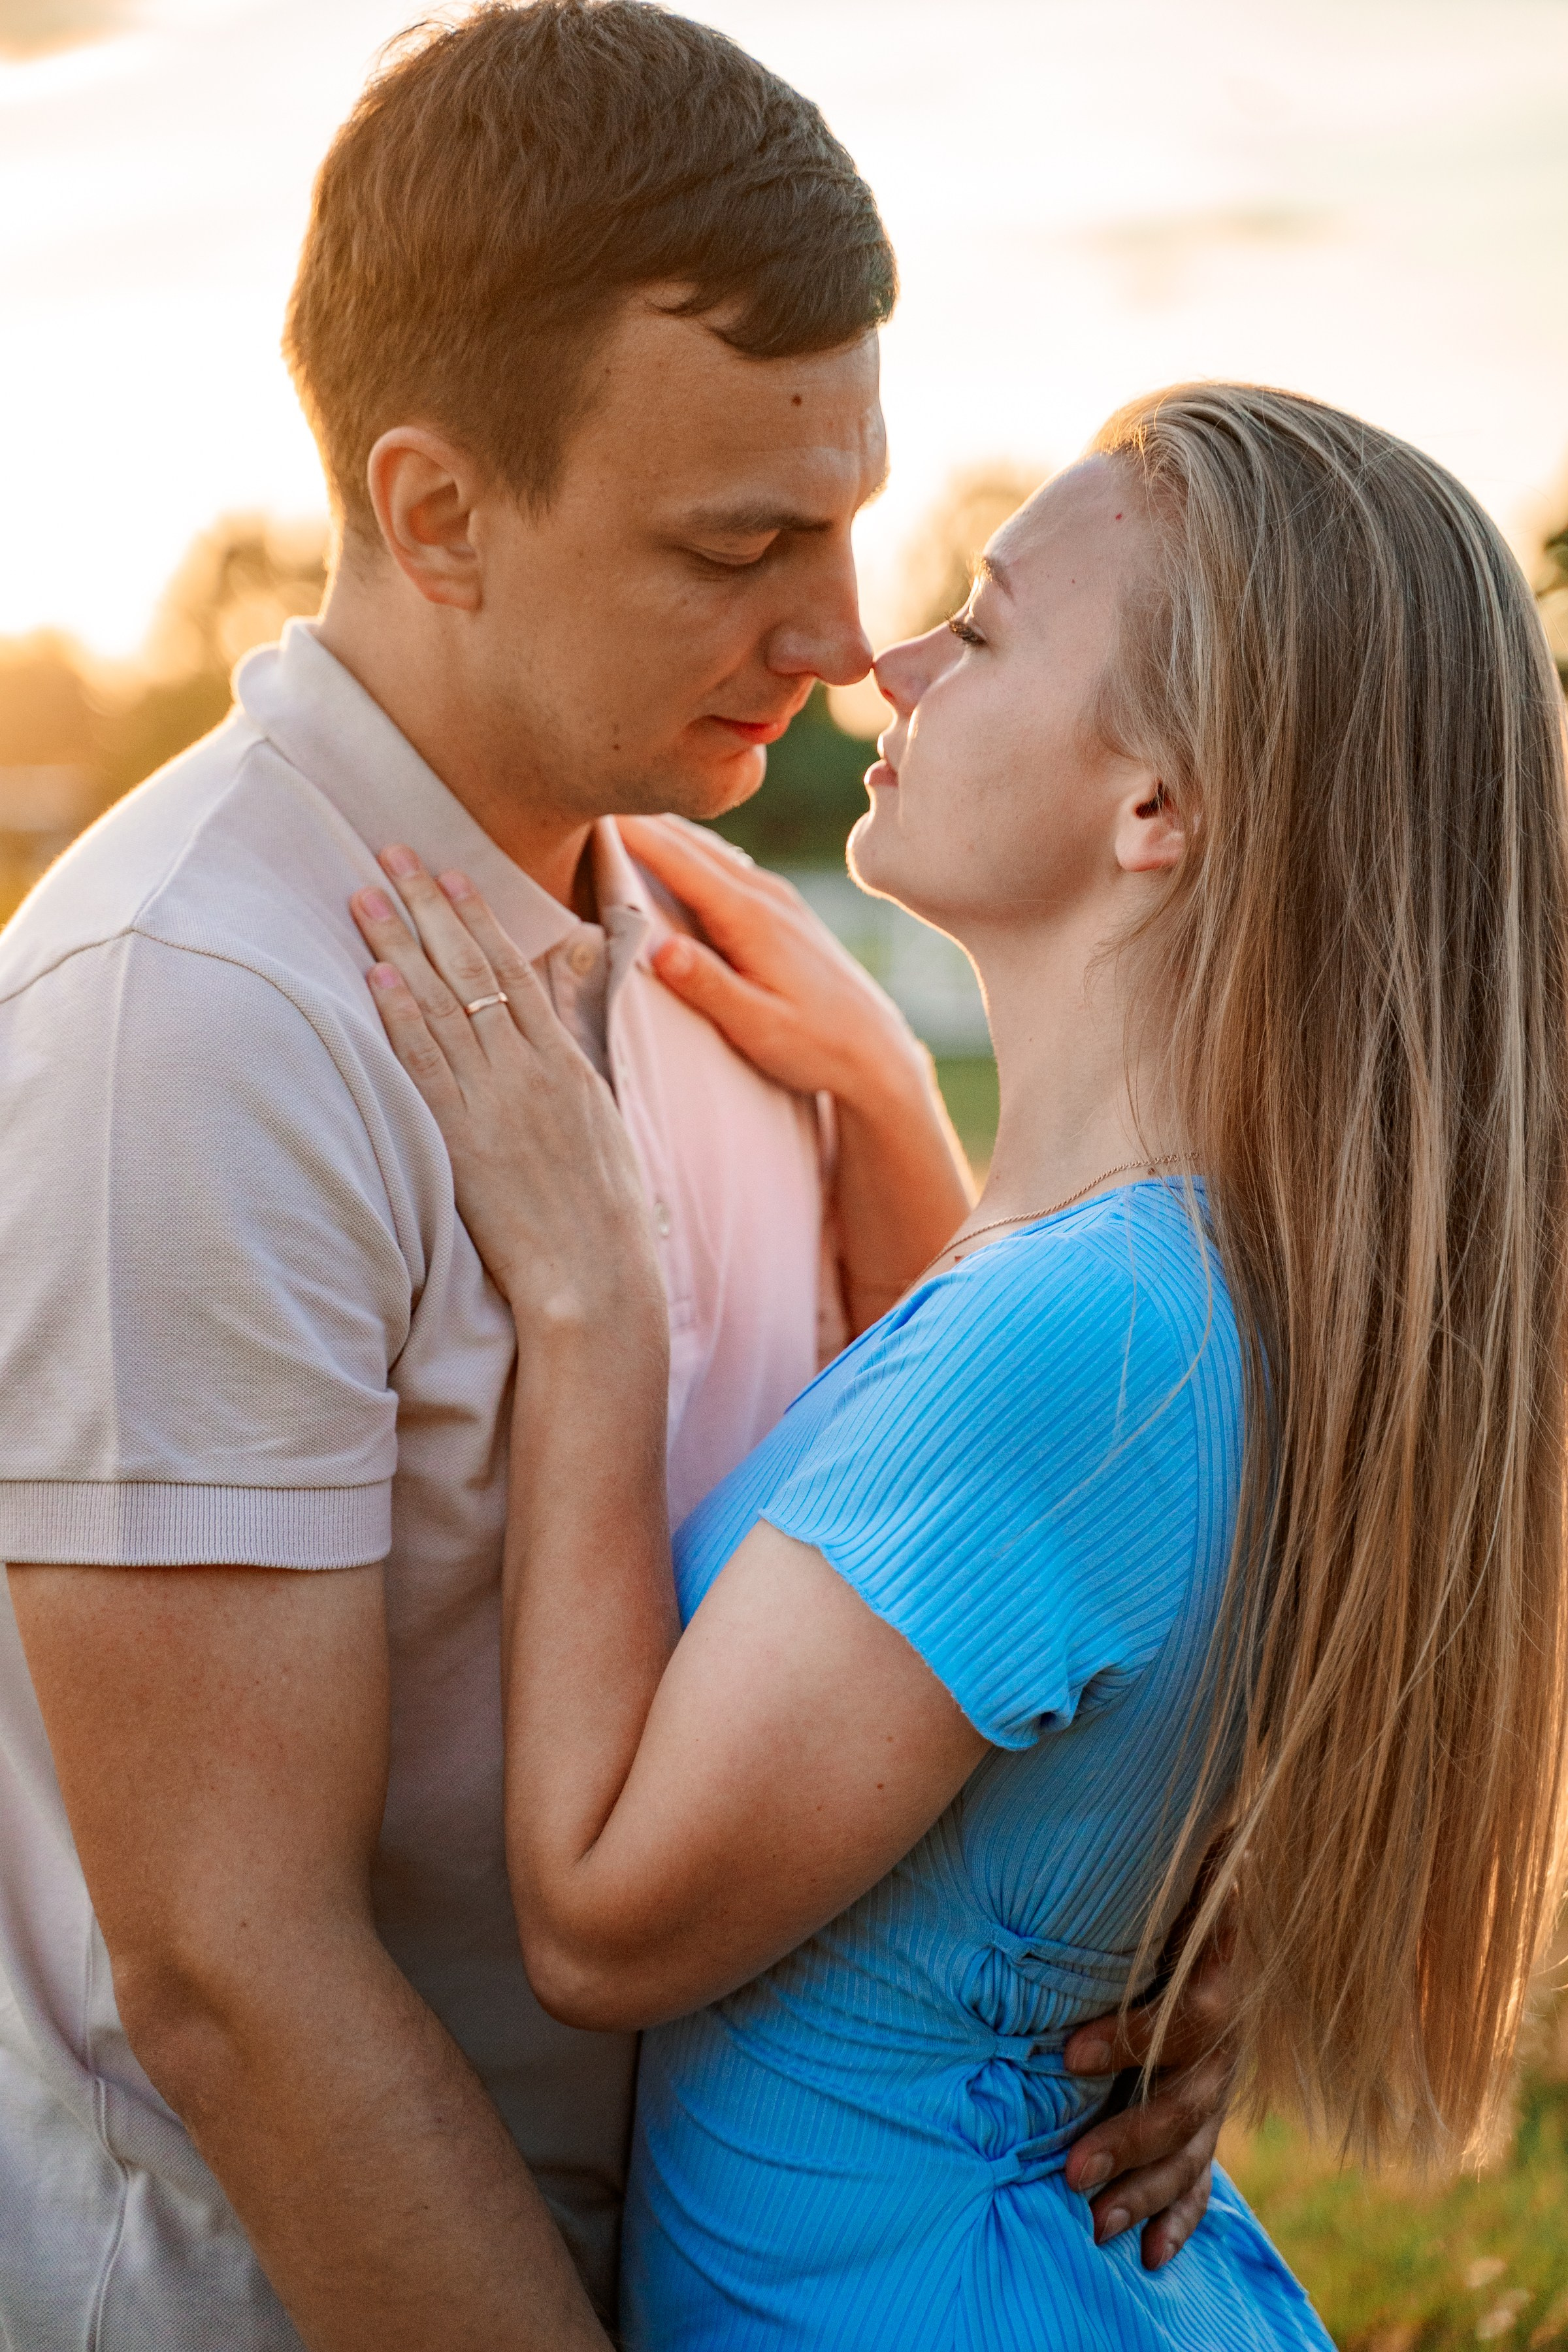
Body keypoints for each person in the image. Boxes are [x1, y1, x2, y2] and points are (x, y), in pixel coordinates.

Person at [0, 7, 1223, 2349]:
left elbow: (938, 1588)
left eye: (853, 519)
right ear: (440, 513)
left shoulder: (717, 946)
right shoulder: (193, 1018)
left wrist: (1150, 1931)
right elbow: (230, 1973)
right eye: (738, 544)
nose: (849, 633)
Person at [355, 382, 1568, 2351]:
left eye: (983, 627)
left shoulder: (1092, 1345)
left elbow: (598, 1917)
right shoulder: (1195, 1280)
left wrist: (594, 1295)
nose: (885, 659)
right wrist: (902, 1120)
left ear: (1157, 809)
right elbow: (1011, 1577)